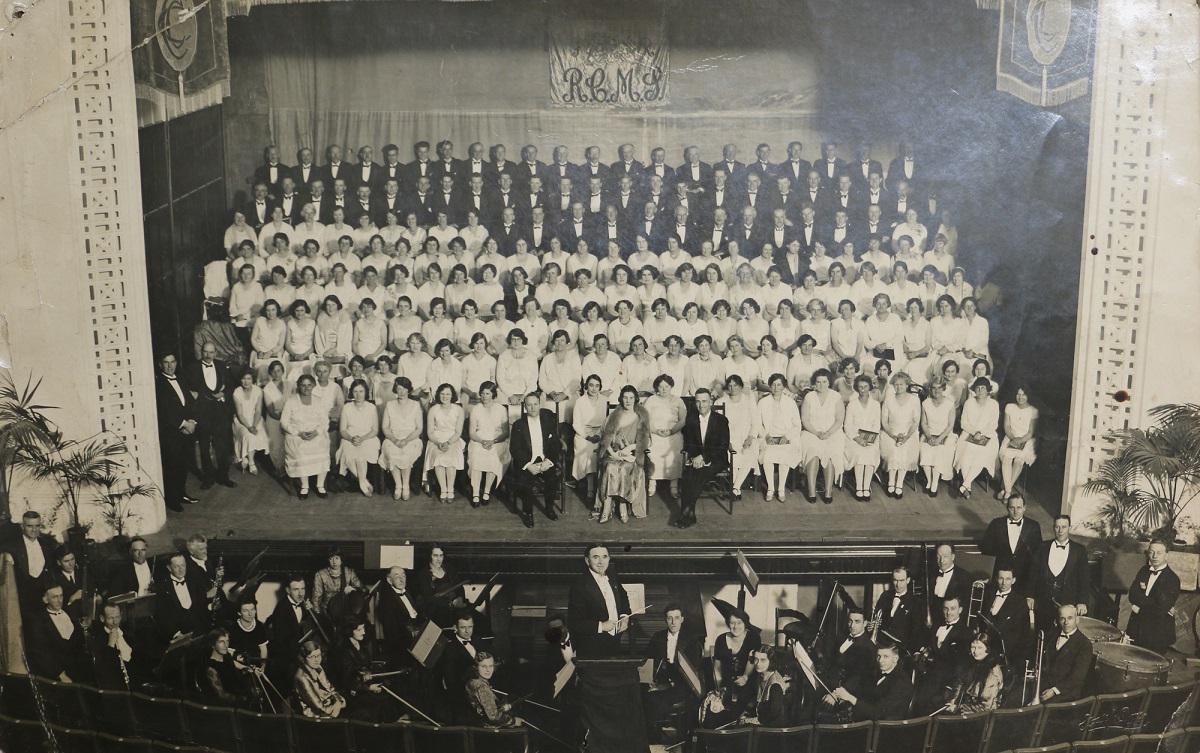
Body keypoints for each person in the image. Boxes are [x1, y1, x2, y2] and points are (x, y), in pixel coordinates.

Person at [644, 604, 701, 737]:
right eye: (670, 618)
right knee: (643, 693)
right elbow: (649, 660)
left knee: (655, 700)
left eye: (676, 618)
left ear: (682, 619)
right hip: (661, 679)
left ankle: (658, 734)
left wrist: (666, 686)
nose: (673, 622)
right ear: (665, 620)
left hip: (682, 683)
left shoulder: (691, 639)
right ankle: (652, 734)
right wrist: (651, 681)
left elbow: (692, 671)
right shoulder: (657, 637)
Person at [596, 385, 651, 523]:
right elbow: (605, 441)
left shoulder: (641, 417)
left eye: (631, 398)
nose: (628, 401)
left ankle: (622, 506)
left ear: (636, 399)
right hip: (612, 454)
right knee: (610, 467)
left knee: (626, 468)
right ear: (621, 399)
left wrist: (631, 447)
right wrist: (614, 455)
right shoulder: (613, 417)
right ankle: (606, 508)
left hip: (632, 456)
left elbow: (648, 441)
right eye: (625, 398)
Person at [677, 388, 730, 528]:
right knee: (688, 474)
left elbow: (723, 446)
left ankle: (686, 512)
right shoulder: (691, 419)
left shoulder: (721, 420)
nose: (701, 405)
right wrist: (695, 458)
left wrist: (703, 457)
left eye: (705, 401)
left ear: (711, 401)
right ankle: (689, 513)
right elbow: (689, 443)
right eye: (698, 402)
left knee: (699, 474)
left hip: (717, 459)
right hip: (696, 459)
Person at [568, 544, 632, 659]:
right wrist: (601, 626)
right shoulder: (579, 585)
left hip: (615, 642)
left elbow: (623, 596)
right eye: (596, 557)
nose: (601, 562)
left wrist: (624, 617)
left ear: (609, 558)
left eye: (604, 557)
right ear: (587, 561)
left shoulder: (612, 575)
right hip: (591, 648)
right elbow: (574, 623)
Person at [706, 599, 762, 728]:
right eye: (732, 623)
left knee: (732, 712)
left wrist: (745, 676)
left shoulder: (753, 638)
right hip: (726, 684)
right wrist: (718, 689)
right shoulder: (720, 639)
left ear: (745, 623)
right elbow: (717, 668)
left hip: (747, 684)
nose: (735, 627)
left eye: (739, 623)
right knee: (712, 709)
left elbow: (752, 660)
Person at [508, 392, 561, 528]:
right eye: (529, 405)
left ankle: (549, 508)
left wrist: (548, 462)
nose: (532, 408)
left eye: (535, 404)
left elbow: (556, 443)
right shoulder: (518, 425)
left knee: (552, 479)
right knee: (525, 483)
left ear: (540, 405)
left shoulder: (548, 422)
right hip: (528, 463)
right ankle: (528, 513)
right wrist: (527, 465)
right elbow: (515, 448)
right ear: (525, 407)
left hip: (545, 461)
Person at [1031, 515, 1091, 633]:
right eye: (1057, 527)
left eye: (1064, 527)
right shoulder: (1042, 547)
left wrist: (1082, 601)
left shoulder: (1079, 550)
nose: (1060, 530)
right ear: (1053, 528)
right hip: (1043, 602)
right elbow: (1033, 573)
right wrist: (1030, 596)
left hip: (1068, 602)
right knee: (1042, 633)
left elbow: (1084, 578)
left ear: (1069, 528)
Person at [156, 352, 199, 512]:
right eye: (166, 362)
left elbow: (189, 402)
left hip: (187, 430)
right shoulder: (159, 384)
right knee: (172, 466)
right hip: (172, 432)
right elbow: (164, 411)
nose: (170, 365)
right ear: (160, 364)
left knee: (184, 464)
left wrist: (193, 422)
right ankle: (172, 499)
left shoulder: (180, 378)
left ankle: (182, 494)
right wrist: (183, 424)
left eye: (172, 362)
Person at [330, 618, 397, 722]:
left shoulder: (359, 644)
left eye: (363, 628)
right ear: (349, 631)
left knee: (391, 693)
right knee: (383, 702)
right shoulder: (343, 652)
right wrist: (369, 687)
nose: (364, 632)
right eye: (359, 630)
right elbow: (347, 680)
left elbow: (366, 666)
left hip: (362, 685)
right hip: (351, 691)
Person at [26, 582, 92, 683]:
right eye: (55, 597)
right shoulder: (38, 620)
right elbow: (41, 652)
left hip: (79, 671)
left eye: (61, 595)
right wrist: (61, 674)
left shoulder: (71, 612)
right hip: (57, 675)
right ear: (45, 599)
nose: (60, 600)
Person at [281, 374, 331, 499]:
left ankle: (320, 485)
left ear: (314, 386)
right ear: (298, 386)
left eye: (309, 385)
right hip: (297, 436)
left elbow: (325, 422)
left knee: (322, 451)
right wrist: (298, 433)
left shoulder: (319, 401)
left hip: (315, 435)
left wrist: (316, 432)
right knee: (301, 454)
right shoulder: (291, 401)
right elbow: (284, 422)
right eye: (303, 385)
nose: (306, 388)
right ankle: (305, 486)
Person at [1126, 539, 1181, 655]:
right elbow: (1132, 595)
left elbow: (1160, 609)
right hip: (1136, 629)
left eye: (1159, 553)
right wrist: (1154, 602)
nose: (1154, 556)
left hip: (1157, 634)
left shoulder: (1172, 579)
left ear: (1166, 555)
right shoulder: (1143, 570)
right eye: (1151, 552)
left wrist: (1139, 609)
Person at [979, 494, 1043, 590]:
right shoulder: (996, 524)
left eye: (1019, 507)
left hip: (1023, 578)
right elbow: (986, 548)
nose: (1016, 511)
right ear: (1007, 508)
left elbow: (1037, 553)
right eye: (1012, 508)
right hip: (1001, 578)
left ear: (1024, 508)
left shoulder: (1033, 526)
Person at [800, 369, 845, 504]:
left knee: (829, 451)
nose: (821, 385)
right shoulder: (809, 397)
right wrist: (817, 433)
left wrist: (828, 433)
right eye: (818, 382)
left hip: (833, 432)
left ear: (829, 382)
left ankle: (828, 490)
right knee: (813, 450)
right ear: (814, 383)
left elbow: (839, 420)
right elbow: (805, 420)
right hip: (811, 432)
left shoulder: (836, 397)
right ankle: (811, 490)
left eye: (824, 382)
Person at [758, 373, 802, 502]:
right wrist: (766, 436)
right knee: (767, 454)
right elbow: (757, 423)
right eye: (773, 385)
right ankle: (771, 488)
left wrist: (786, 436)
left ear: (784, 387)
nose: (776, 388)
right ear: (770, 386)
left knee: (784, 455)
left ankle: (781, 488)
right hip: (768, 437)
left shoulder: (790, 402)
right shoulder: (763, 402)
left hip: (786, 438)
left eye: (779, 385)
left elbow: (797, 425)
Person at [379, 377, 424, 500]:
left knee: (406, 454)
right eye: (399, 389)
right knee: (392, 453)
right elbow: (385, 427)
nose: (402, 392)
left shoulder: (415, 405)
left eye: (404, 389)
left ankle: (406, 486)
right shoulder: (390, 404)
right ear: (395, 390)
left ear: (409, 390)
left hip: (411, 438)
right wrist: (394, 440)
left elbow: (419, 429)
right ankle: (398, 485)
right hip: (393, 437)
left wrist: (406, 440)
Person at [954, 377, 1000, 498]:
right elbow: (963, 423)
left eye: (983, 388)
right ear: (974, 390)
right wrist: (974, 432)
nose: (980, 391)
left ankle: (964, 486)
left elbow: (993, 425)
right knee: (965, 454)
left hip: (988, 435)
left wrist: (982, 433)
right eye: (977, 388)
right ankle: (966, 486)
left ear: (988, 390)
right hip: (969, 433)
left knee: (980, 456)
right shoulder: (969, 402)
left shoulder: (994, 404)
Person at [466, 380, 510, 506]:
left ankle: (486, 491)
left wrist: (493, 441)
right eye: (483, 393)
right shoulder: (475, 409)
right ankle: (475, 493)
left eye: (488, 393)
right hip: (479, 439)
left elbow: (506, 432)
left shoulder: (501, 409)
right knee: (476, 456)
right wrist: (482, 441)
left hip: (497, 440)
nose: (485, 396)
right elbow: (472, 433)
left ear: (494, 395)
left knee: (493, 457)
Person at [1038, 605, 1093, 703]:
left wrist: (1054, 691)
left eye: (1070, 618)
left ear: (1077, 620)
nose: (1066, 622)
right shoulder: (1051, 635)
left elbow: (1077, 678)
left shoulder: (1085, 644)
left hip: (1066, 693)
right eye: (1062, 619)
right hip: (1044, 685)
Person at [645, 374, 687, 501]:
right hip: (655, 432)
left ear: (671, 386)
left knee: (675, 448)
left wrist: (672, 431)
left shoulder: (678, 401)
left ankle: (673, 485)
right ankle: (652, 482)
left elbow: (683, 420)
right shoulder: (651, 400)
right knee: (653, 448)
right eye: (661, 386)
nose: (664, 389)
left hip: (673, 433)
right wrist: (656, 431)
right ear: (657, 387)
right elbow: (646, 418)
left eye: (666, 386)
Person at [336, 379, 381, 496]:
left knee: (361, 456)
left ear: (366, 392)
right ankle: (364, 482)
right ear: (351, 393)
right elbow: (342, 430)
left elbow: (375, 430)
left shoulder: (371, 407)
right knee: (347, 455)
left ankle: (361, 483)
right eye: (355, 391)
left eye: (361, 391)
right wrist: (351, 439)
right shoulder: (347, 407)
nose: (358, 394)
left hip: (368, 438)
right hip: (349, 437)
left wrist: (362, 439)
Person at [197, 629, 261, 708]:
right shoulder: (211, 668)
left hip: (236, 696)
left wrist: (248, 668)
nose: (226, 645)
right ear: (213, 644)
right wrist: (246, 698)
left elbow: (233, 663)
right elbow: (222, 696)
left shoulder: (226, 656)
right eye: (221, 642)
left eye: (227, 641)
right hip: (224, 707)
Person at [879, 371, 920, 497]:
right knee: (894, 451)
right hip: (890, 433)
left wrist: (907, 436)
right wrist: (892, 435)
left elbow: (915, 422)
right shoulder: (889, 399)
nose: (899, 387)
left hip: (909, 434)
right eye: (896, 384)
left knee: (904, 451)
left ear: (907, 384)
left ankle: (899, 484)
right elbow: (884, 422)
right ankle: (891, 482)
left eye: (901, 384)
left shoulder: (914, 400)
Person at [425, 383, 467, 503]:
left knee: (450, 457)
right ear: (438, 395)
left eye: (448, 394)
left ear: (452, 395)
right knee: (438, 457)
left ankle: (450, 489)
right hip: (435, 439)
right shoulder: (433, 409)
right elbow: (430, 432)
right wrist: (438, 443)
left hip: (453, 438)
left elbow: (458, 432)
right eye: (442, 394)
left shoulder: (458, 409)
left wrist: (448, 443)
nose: (445, 396)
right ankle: (443, 490)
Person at [843, 374, 881, 500]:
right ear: (856, 388)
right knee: (859, 453)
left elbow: (876, 425)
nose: (863, 389)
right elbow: (847, 426)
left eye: (865, 387)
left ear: (870, 387)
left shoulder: (875, 405)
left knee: (870, 452)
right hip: (854, 439)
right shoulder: (851, 405)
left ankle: (866, 486)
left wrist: (869, 439)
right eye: (860, 387)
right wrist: (857, 438)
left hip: (871, 438)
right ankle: (859, 487)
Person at [981, 567, 1030, 664]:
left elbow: (1018, 631)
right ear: (996, 579)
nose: (1004, 583)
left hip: (1003, 646)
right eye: (1001, 578)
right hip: (982, 641)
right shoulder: (987, 594)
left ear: (1013, 580)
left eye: (1008, 579)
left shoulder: (1019, 602)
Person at [998, 385, 1039, 499]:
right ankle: (1008, 491)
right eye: (1018, 394)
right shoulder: (1009, 407)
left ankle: (1005, 491)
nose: (1020, 397)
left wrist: (1020, 440)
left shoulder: (1033, 411)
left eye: (1023, 395)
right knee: (1006, 458)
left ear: (1028, 396)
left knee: (1019, 461)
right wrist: (1013, 438)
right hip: (1010, 437)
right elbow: (1006, 426)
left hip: (1026, 440)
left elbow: (1031, 432)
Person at [572, 374, 607, 507]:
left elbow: (607, 422)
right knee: (587, 451)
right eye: (591, 385)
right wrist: (587, 436)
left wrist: (598, 435)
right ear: (586, 386)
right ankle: (590, 490)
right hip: (583, 434)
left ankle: (601, 489)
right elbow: (576, 423)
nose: (594, 388)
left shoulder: (605, 400)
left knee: (598, 451)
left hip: (600, 434)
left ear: (600, 387)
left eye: (597, 385)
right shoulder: (580, 401)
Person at [919, 376, 958, 496]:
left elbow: (951, 425)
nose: (937, 391)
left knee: (939, 451)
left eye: (939, 388)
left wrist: (940, 439)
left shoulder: (950, 404)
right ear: (930, 389)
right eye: (934, 388)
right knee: (924, 451)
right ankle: (929, 481)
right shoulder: (925, 403)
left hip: (945, 435)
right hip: (929, 434)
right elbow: (923, 423)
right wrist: (929, 437)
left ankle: (934, 483)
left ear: (943, 388)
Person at [947, 632, 1004, 713]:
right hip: (969, 709)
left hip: (983, 715)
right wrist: (953, 700)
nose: (976, 652)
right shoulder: (974, 664)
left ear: (988, 649)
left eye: (980, 648)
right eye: (973, 647)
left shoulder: (992, 671)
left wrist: (959, 708)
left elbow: (987, 707)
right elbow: (961, 683)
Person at [415, 545, 467, 627]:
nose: (439, 559)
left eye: (441, 555)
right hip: (436, 610)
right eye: (435, 556)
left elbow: (459, 587)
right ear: (429, 556)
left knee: (475, 617)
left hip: (455, 606)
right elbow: (429, 599)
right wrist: (449, 604)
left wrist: (460, 598)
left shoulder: (449, 569)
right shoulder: (424, 574)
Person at [872, 566, 921, 651]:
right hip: (881, 645)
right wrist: (871, 625)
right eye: (895, 580)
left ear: (908, 580)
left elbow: (916, 632)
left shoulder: (915, 602)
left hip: (901, 647)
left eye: (901, 581)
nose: (898, 584)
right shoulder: (885, 596)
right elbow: (875, 617)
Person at [466, 652, 521, 727]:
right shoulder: (481, 686)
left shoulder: (474, 680)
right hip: (487, 728)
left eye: (491, 666)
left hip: (479, 723)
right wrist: (514, 721)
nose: (488, 670)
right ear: (476, 667)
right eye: (484, 666)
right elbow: (493, 716)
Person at [231, 369, 269, 474]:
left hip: (256, 419)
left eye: (248, 379)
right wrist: (249, 427)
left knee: (261, 435)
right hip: (241, 421)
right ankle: (251, 463)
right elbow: (240, 414)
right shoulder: (237, 392)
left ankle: (246, 458)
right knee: (248, 436)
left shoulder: (258, 391)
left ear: (253, 379)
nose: (246, 381)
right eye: (243, 379)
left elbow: (258, 411)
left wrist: (254, 425)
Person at [741, 646, 792, 727]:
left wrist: (750, 720)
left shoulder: (775, 685)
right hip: (762, 720)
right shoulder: (761, 675)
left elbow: (773, 715)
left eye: (763, 660)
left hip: (772, 728)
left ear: (770, 661)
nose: (758, 664)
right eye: (756, 659)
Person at [294, 640, 346, 718]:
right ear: (303, 658)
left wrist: (339, 702)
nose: (317, 660)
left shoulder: (318, 667)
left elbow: (331, 688)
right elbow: (318, 707)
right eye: (312, 657)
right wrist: (336, 709)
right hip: (315, 716)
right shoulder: (301, 677)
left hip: (330, 707)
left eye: (319, 655)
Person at [312, 547, 364, 616]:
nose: (334, 562)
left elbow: (364, 590)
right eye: (331, 558)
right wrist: (319, 617)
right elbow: (316, 599)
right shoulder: (320, 574)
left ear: (341, 559)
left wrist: (354, 589)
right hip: (326, 612)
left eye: (337, 558)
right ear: (328, 559)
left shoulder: (349, 572)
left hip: (345, 611)